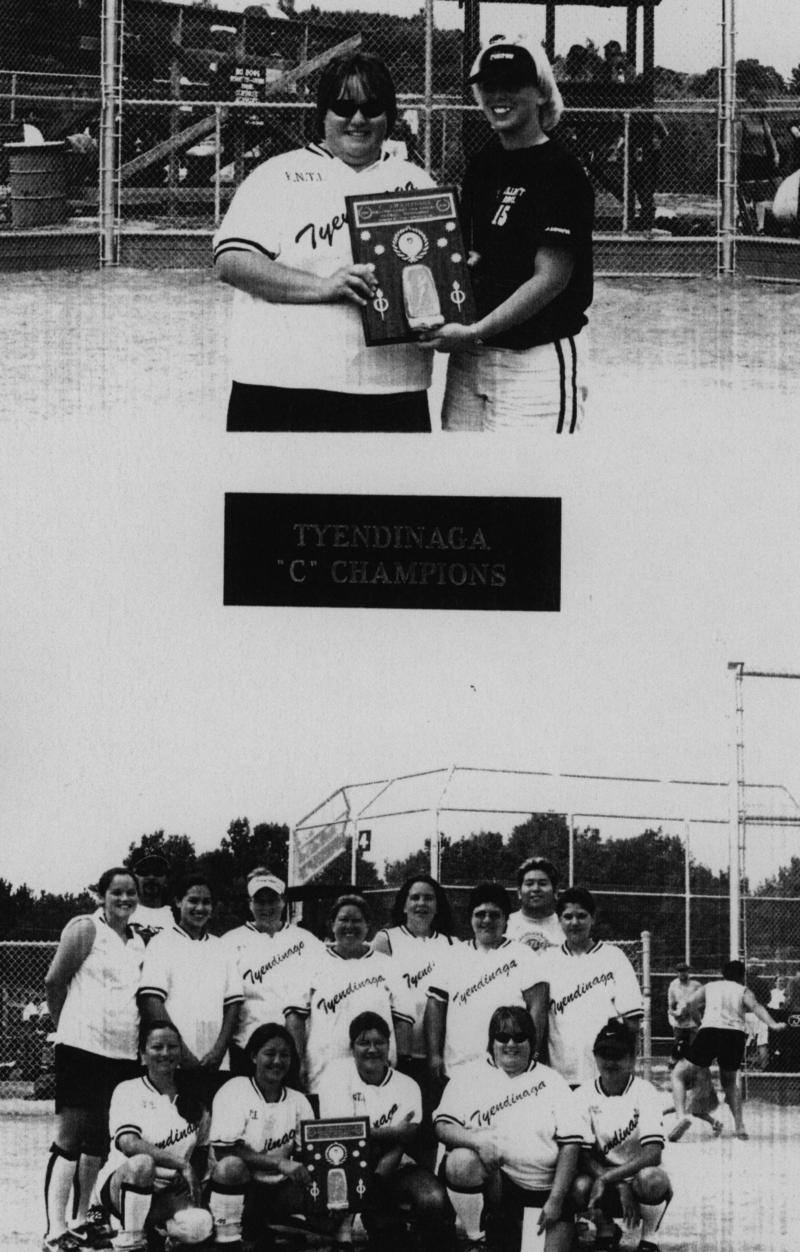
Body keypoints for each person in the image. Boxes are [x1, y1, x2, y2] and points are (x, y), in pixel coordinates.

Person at [213, 51, 436, 433]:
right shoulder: (278, 174)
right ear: (322, 114)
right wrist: (325, 286)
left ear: (390, 116)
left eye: (372, 107)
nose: (358, 119)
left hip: (392, 388)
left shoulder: (416, 183)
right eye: (343, 107)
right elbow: (232, 261)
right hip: (282, 386)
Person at [420, 35, 594, 433]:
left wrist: (474, 331)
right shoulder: (484, 163)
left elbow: (551, 278)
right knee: (466, 489)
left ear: (540, 93)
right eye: (489, 85)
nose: (499, 95)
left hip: (533, 359)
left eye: (513, 84)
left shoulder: (560, 169)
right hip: (471, 360)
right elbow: (466, 252)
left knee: (530, 489)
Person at [43, 867, 145, 1252]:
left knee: (98, 1142)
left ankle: (82, 1221)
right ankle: (55, 1231)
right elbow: (55, 981)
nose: (124, 899)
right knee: (70, 1137)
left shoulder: (137, 942)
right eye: (116, 892)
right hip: (82, 1048)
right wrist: (69, 1029)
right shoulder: (86, 927)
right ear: (101, 896)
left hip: (121, 1053)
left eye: (130, 893)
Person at [434, 1005, 581, 1252]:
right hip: (499, 1187)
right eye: (502, 1037)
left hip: (541, 1190)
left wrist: (555, 1200)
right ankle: (477, 1237)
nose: (510, 1044)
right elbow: (443, 1127)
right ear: (491, 1042)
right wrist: (478, 1142)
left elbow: (571, 1145)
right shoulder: (469, 1076)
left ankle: (512, 1232)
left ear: (531, 1042)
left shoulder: (552, 1081)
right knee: (461, 1161)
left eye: (519, 1037)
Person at [318, 1011, 455, 1252]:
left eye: (379, 1042)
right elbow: (339, 1135)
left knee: (433, 1200)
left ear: (389, 1045)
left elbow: (406, 1137)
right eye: (364, 1043)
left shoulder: (407, 1084)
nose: (372, 1049)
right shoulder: (336, 1073)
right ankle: (344, 1235)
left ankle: (402, 1230)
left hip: (395, 1167)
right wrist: (392, 1132)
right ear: (352, 1047)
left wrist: (380, 1156)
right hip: (346, 1167)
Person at [94, 1021, 213, 1251]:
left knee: (200, 1225)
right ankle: (131, 1240)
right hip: (124, 1183)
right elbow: (128, 1143)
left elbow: (201, 1150)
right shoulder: (128, 1089)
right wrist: (180, 1164)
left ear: (181, 1054)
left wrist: (190, 1175)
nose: (165, 1053)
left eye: (173, 1047)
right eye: (157, 1047)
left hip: (168, 1191)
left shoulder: (194, 1099)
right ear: (142, 1055)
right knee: (142, 1164)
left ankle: (151, 1229)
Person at [287, 894, 414, 1103]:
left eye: (357, 921)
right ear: (331, 924)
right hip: (322, 1069)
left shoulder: (388, 965)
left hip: (376, 1070)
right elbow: (295, 1017)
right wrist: (297, 1062)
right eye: (343, 920)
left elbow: (403, 1020)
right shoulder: (311, 962)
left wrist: (401, 1066)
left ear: (367, 926)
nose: (350, 926)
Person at [371, 875, 459, 1168]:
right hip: (399, 1054)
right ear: (404, 904)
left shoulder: (451, 944)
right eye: (415, 897)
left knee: (427, 1127)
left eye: (429, 898)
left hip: (436, 1055)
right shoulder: (387, 939)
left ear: (438, 906)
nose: (421, 903)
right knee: (397, 1125)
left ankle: (424, 1187)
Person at [209, 1023, 317, 1250]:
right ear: (253, 1056)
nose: (277, 1061)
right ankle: (226, 1239)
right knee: (231, 1166)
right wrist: (278, 1162)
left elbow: (307, 1154)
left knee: (328, 1203)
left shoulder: (298, 1100)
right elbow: (224, 1151)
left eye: (284, 1055)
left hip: (278, 1189)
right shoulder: (235, 1089)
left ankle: (270, 1226)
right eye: (270, 1053)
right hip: (239, 1187)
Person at [138, 874, 244, 1105]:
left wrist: (218, 1052)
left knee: (211, 1131)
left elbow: (233, 1004)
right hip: (173, 1062)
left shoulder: (222, 947)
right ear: (178, 902)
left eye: (206, 902)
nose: (200, 908)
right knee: (175, 1131)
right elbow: (152, 1001)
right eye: (193, 900)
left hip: (215, 1064)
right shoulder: (161, 943)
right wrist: (181, 1053)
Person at [425, 882, 543, 1081]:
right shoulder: (452, 955)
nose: (487, 920)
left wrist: (533, 1054)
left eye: (495, 914)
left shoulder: (523, 955)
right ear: (470, 918)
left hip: (510, 1070)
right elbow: (435, 1007)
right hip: (459, 1068)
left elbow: (537, 1008)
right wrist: (434, 1054)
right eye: (480, 914)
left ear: (506, 919)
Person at [572, 1020, 672, 1252]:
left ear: (631, 1059)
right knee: (578, 1186)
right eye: (604, 1053)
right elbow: (582, 1155)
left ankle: (649, 1238)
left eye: (618, 1054)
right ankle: (606, 1229)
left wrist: (609, 1179)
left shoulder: (644, 1091)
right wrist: (615, 1183)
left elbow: (653, 1154)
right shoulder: (582, 1094)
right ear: (595, 1057)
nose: (610, 1061)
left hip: (638, 1176)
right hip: (602, 1173)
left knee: (653, 1180)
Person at [533, 887, 643, 1086]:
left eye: (581, 916)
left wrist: (629, 1066)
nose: (575, 923)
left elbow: (632, 1022)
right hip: (559, 1074)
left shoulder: (613, 957)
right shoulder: (546, 960)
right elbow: (539, 1017)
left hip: (605, 1073)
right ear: (559, 921)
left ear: (593, 919)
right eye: (568, 916)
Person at [220, 868, 325, 1076]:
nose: (266, 907)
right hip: (245, 1050)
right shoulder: (229, 942)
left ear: (283, 901)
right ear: (250, 903)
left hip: (292, 1053)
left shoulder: (307, 941)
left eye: (272, 900)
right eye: (260, 901)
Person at [670, 959, 786, 1140]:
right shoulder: (743, 990)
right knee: (730, 1083)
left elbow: (689, 1004)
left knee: (679, 1073)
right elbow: (756, 1007)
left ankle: (680, 1117)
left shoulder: (710, 986)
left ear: (722, 973)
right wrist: (773, 1024)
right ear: (742, 976)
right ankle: (739, 1127)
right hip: (734, 1035)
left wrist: (688, 1017)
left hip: (710, 1032)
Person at [737, 90, 781, 233]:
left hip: (760, 158)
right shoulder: (742, 119)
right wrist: (737, 163)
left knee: (760, 193)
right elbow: (738, 143)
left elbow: (770, 139)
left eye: (757, 104)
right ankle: (746, 223)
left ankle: (760, 226)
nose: (755, 107)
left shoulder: (762, 120)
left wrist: (775, 154)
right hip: (747, 158)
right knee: (747, 191)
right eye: (753, 103)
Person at [505, 856, 563, 952]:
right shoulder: (506, 924)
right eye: (529, 883)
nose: (536, 889)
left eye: (543, 883)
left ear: (555, 892)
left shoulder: (566, 926)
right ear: (519, 892)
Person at [128, 850, 174, 944]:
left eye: (158, 872)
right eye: (144, 872)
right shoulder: (120, 913)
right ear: (133, 878)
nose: (151, 877)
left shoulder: (178, 916)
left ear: (166, 879)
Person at [666, 961, 701, 1064]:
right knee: (678, 1049)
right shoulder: (674, 986)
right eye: (680, 971)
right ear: (677, 973)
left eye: (684, 971)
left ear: (688, 972)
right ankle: (675, 1070)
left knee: (694, 1049)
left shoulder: (695, 985)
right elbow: (671, 1007)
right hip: (680, 1023)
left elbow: (703, 1002)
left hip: (693, 1023)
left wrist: (691, 1010)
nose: (682, 974)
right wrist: (677, 1014)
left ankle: (694, 1072)